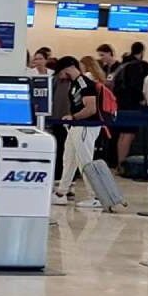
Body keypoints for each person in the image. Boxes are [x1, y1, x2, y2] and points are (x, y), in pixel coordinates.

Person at [52, 56, 104, 209]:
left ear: (67, 69)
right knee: (69, 159)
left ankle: (95, 196)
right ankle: (61, 193)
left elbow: (91, 108)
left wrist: (73, 117)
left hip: (86, 126)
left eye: (61, 73)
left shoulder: (84, 83)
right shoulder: (75, 83)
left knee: (85, 161)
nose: (60, 77)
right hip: (76, 126)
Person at [112, 42, 148, 167]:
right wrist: (141, 99)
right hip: (132, 104)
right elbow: (136, 86)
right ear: (142, 51)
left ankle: (119, 162)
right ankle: (122, 164)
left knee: (122, 134)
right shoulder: (138, 66)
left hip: (120, 103)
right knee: (128, 134)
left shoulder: (123, 65)